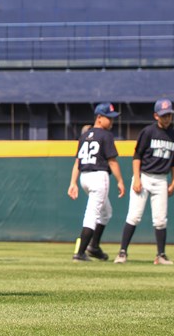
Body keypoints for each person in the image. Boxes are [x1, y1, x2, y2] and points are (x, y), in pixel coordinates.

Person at [114, 98, 174, 265]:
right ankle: (122, 252)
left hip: (161, 179)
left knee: (160, 219)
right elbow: (137, 155)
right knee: (134, 216)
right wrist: (137, 178)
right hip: (144, 176)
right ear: (156, 115)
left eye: (169, 115)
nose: (167, 118)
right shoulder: (148, 132)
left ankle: (161, 255)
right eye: (163, 115)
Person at [67, 103, 125, 262]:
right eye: (109, 118)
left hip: (84, 177)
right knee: (92, 214)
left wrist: (73, 182)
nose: (112, 121)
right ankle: (80, 252)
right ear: (99, 118)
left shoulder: (84, 135)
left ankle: (94, 247)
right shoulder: (106, 135)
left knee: (106, 212)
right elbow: (112, 162)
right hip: (99, 176)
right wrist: (120, 181)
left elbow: (77, 162)